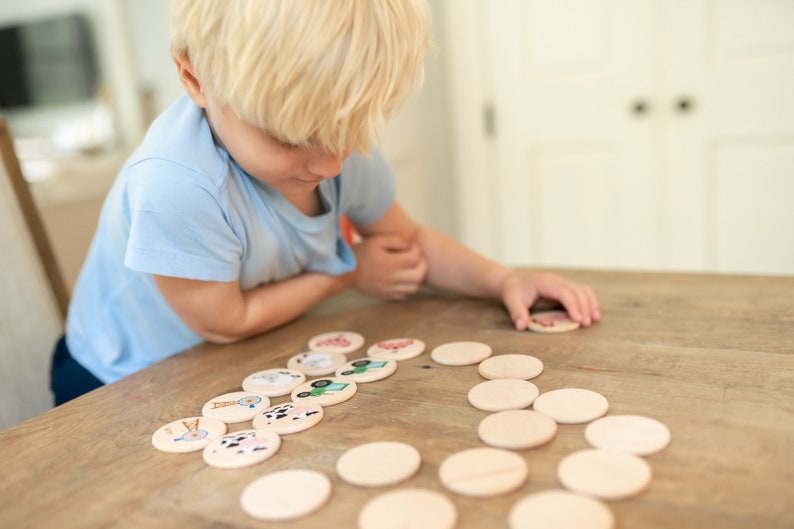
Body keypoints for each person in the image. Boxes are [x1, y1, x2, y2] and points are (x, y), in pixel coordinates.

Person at [50, 0, 600, 405]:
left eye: (344, 133)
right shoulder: (175, 184)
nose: (330, 165)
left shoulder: (333, 143)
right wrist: (348, 273)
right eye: (291, 139)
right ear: (195, 79)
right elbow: (226, 322)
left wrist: (503, 281)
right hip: (119, 378)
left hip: (229, 361)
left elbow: (407, 243)